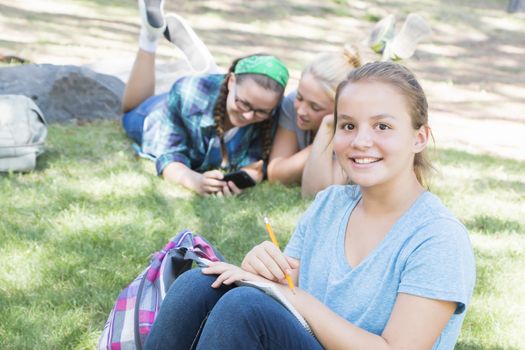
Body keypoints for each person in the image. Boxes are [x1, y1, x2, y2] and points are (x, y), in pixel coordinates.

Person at [143, 61, 476, 349]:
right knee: (199, 284)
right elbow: (284, 287)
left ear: (419, 137)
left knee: (245, 308)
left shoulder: (438, 238)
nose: (361, 141)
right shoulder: (330, 205)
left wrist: (289, 296)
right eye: (348, 125)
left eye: (382, 126)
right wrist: (258, 270)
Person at [121, 0, 289, 196]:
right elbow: (169, 155)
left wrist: (246, 177)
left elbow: (256, 161)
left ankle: (213, 76)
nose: (249, 116)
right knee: (128, 112)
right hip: (157, 115)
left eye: (261, 111)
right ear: (232, 81)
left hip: (212, 100)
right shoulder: (186, 93)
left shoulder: (273, 110)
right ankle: (149, 38)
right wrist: (195, 180)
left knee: (221, 104)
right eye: (244, 104)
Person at [267, 46, 362, 196]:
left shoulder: (356, 133)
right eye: (300, 97)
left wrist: (328, 126)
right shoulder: (291, 105)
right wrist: (316, 147)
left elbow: (318, 193)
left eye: (315, 107)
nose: (301, 110)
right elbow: (276, 175)